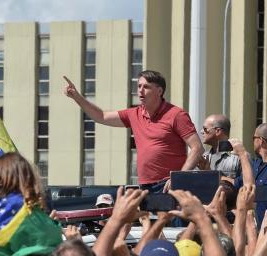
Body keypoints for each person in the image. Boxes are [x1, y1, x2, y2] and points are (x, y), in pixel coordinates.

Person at [63, 70, 203, 191]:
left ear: (159, 91)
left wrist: (179, 178)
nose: (140, 90)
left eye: (146, 87)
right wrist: (77, 97)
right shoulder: (133, 114)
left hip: (170, 185)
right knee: (150, 223)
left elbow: (197, 148)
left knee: (171, 223)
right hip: (145, 186)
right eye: (139, 86)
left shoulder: (176, 115)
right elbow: (101, 116)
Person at [199, 114, 241, 179]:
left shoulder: (238, 158)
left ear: (218, 131)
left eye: (205, 129)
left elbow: (245, 185)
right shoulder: (204, 157)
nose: (201, 132)